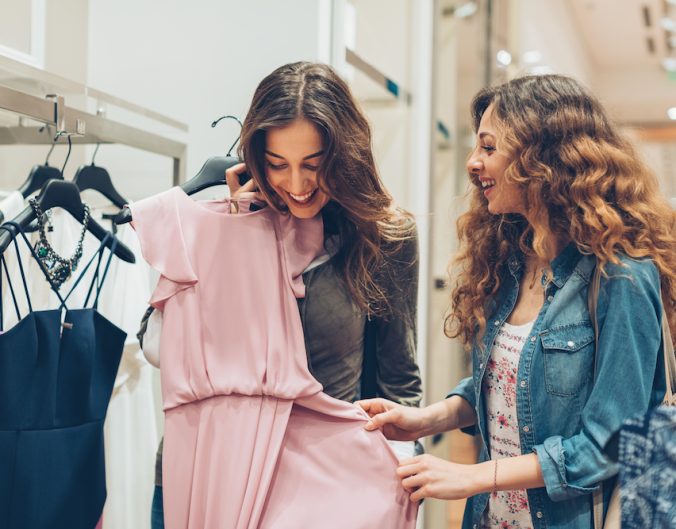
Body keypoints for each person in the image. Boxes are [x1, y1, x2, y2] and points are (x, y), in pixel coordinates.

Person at [358, 74, 676, 529]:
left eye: (489, 148)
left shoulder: (621, 276)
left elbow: (606, 444)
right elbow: (508, 384)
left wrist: (472, 477)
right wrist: (425, 419)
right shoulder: (510, 259)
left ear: (543, 158)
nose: (472, 162)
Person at [147, 61, 422, 528]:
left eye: (314, 166)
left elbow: (398, 381)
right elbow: (157, 346)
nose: (296, 185)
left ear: (345, 155)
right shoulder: (221, 222)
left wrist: (397, 491)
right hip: (208, 472)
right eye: (277, 165)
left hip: (324, 488)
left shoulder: (383, 236)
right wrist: (234, 235)